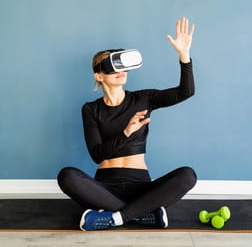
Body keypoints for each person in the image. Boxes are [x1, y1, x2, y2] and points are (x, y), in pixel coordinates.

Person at [57, 17, 197, 231]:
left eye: (122, 65)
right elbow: (97, 155)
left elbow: (185, 92)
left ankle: (115, 218)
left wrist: (184, 57)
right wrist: (126, 133)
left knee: (187, 175)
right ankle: (141, 215)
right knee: (66, 175)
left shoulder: (143, 99)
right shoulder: (91, 109)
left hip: (141, 187)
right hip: (103, 188)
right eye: (112, 67)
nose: (120, 70)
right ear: (99, 76)